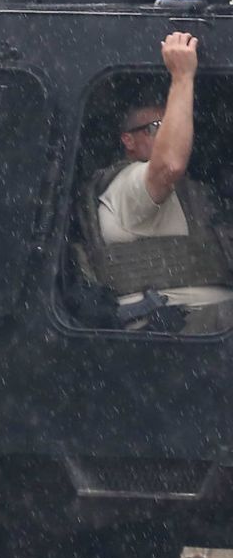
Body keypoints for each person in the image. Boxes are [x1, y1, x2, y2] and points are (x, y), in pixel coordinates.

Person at [88, 31, 233, 333]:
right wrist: (182, 78)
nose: (171, 131)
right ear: (128, 140)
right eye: (158, 127)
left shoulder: (194, 192)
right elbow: (168, 165)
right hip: (184, 331)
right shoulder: (127, 186)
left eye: (174, 123)